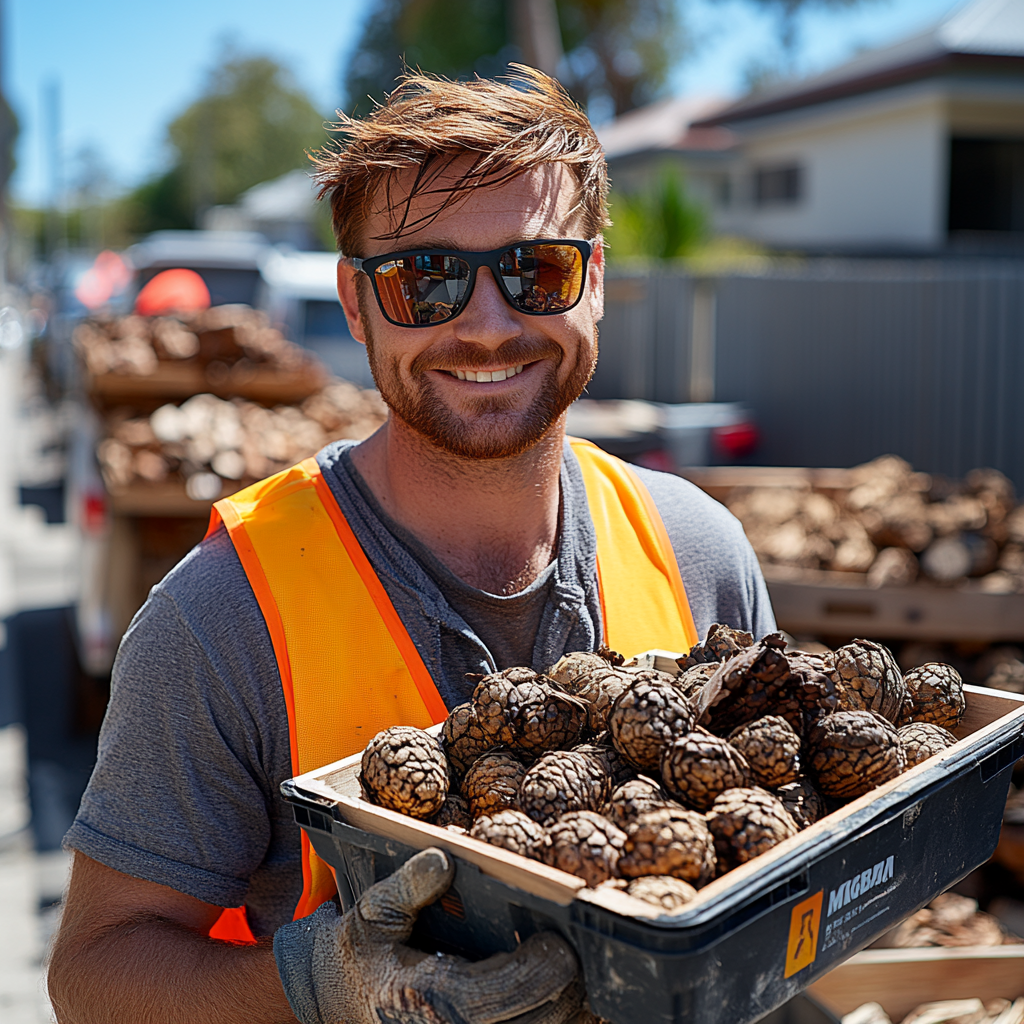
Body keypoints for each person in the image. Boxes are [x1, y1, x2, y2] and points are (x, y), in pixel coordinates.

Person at [47, 67, 775, 1024]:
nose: (486, 323)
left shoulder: (701, 553)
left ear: (593, 282)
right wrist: (316, 984)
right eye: (425, 279)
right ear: (356, 306)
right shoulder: (223, 619)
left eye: (537, 269)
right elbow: (93, 978)